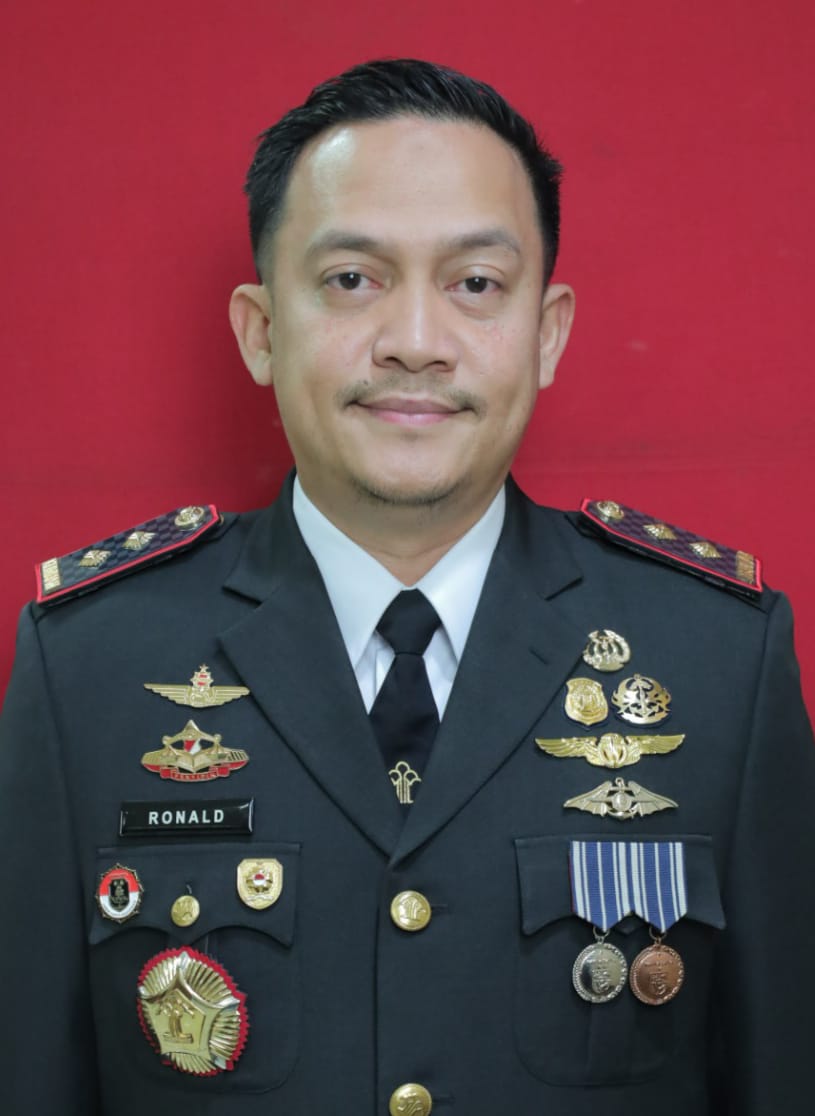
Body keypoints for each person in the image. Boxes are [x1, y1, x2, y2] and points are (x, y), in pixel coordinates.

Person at [0, 58, 812, 1116]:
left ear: (547, 332)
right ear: (260, 330)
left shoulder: (717, 662)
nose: (416, 344)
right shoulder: (89, 666)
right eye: (352, 279)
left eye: (474, 284)